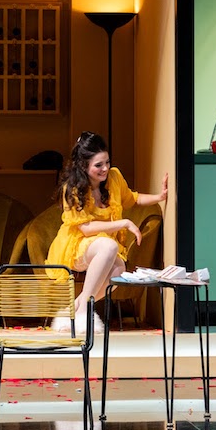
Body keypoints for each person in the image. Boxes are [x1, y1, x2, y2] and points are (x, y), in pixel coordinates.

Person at [47, 131, 169, 334]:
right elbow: (85, 228)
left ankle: (74, 309)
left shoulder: (114, 177)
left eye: (107, 162)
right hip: (76, 245)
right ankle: (84, 311)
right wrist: (123, 223)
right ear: (83, 165)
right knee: (109, 246)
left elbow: (133, 198)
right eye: (98, 165)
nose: (105, 168)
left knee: (119, 270)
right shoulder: (72, 189)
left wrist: (160, 197)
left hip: (103, 247)